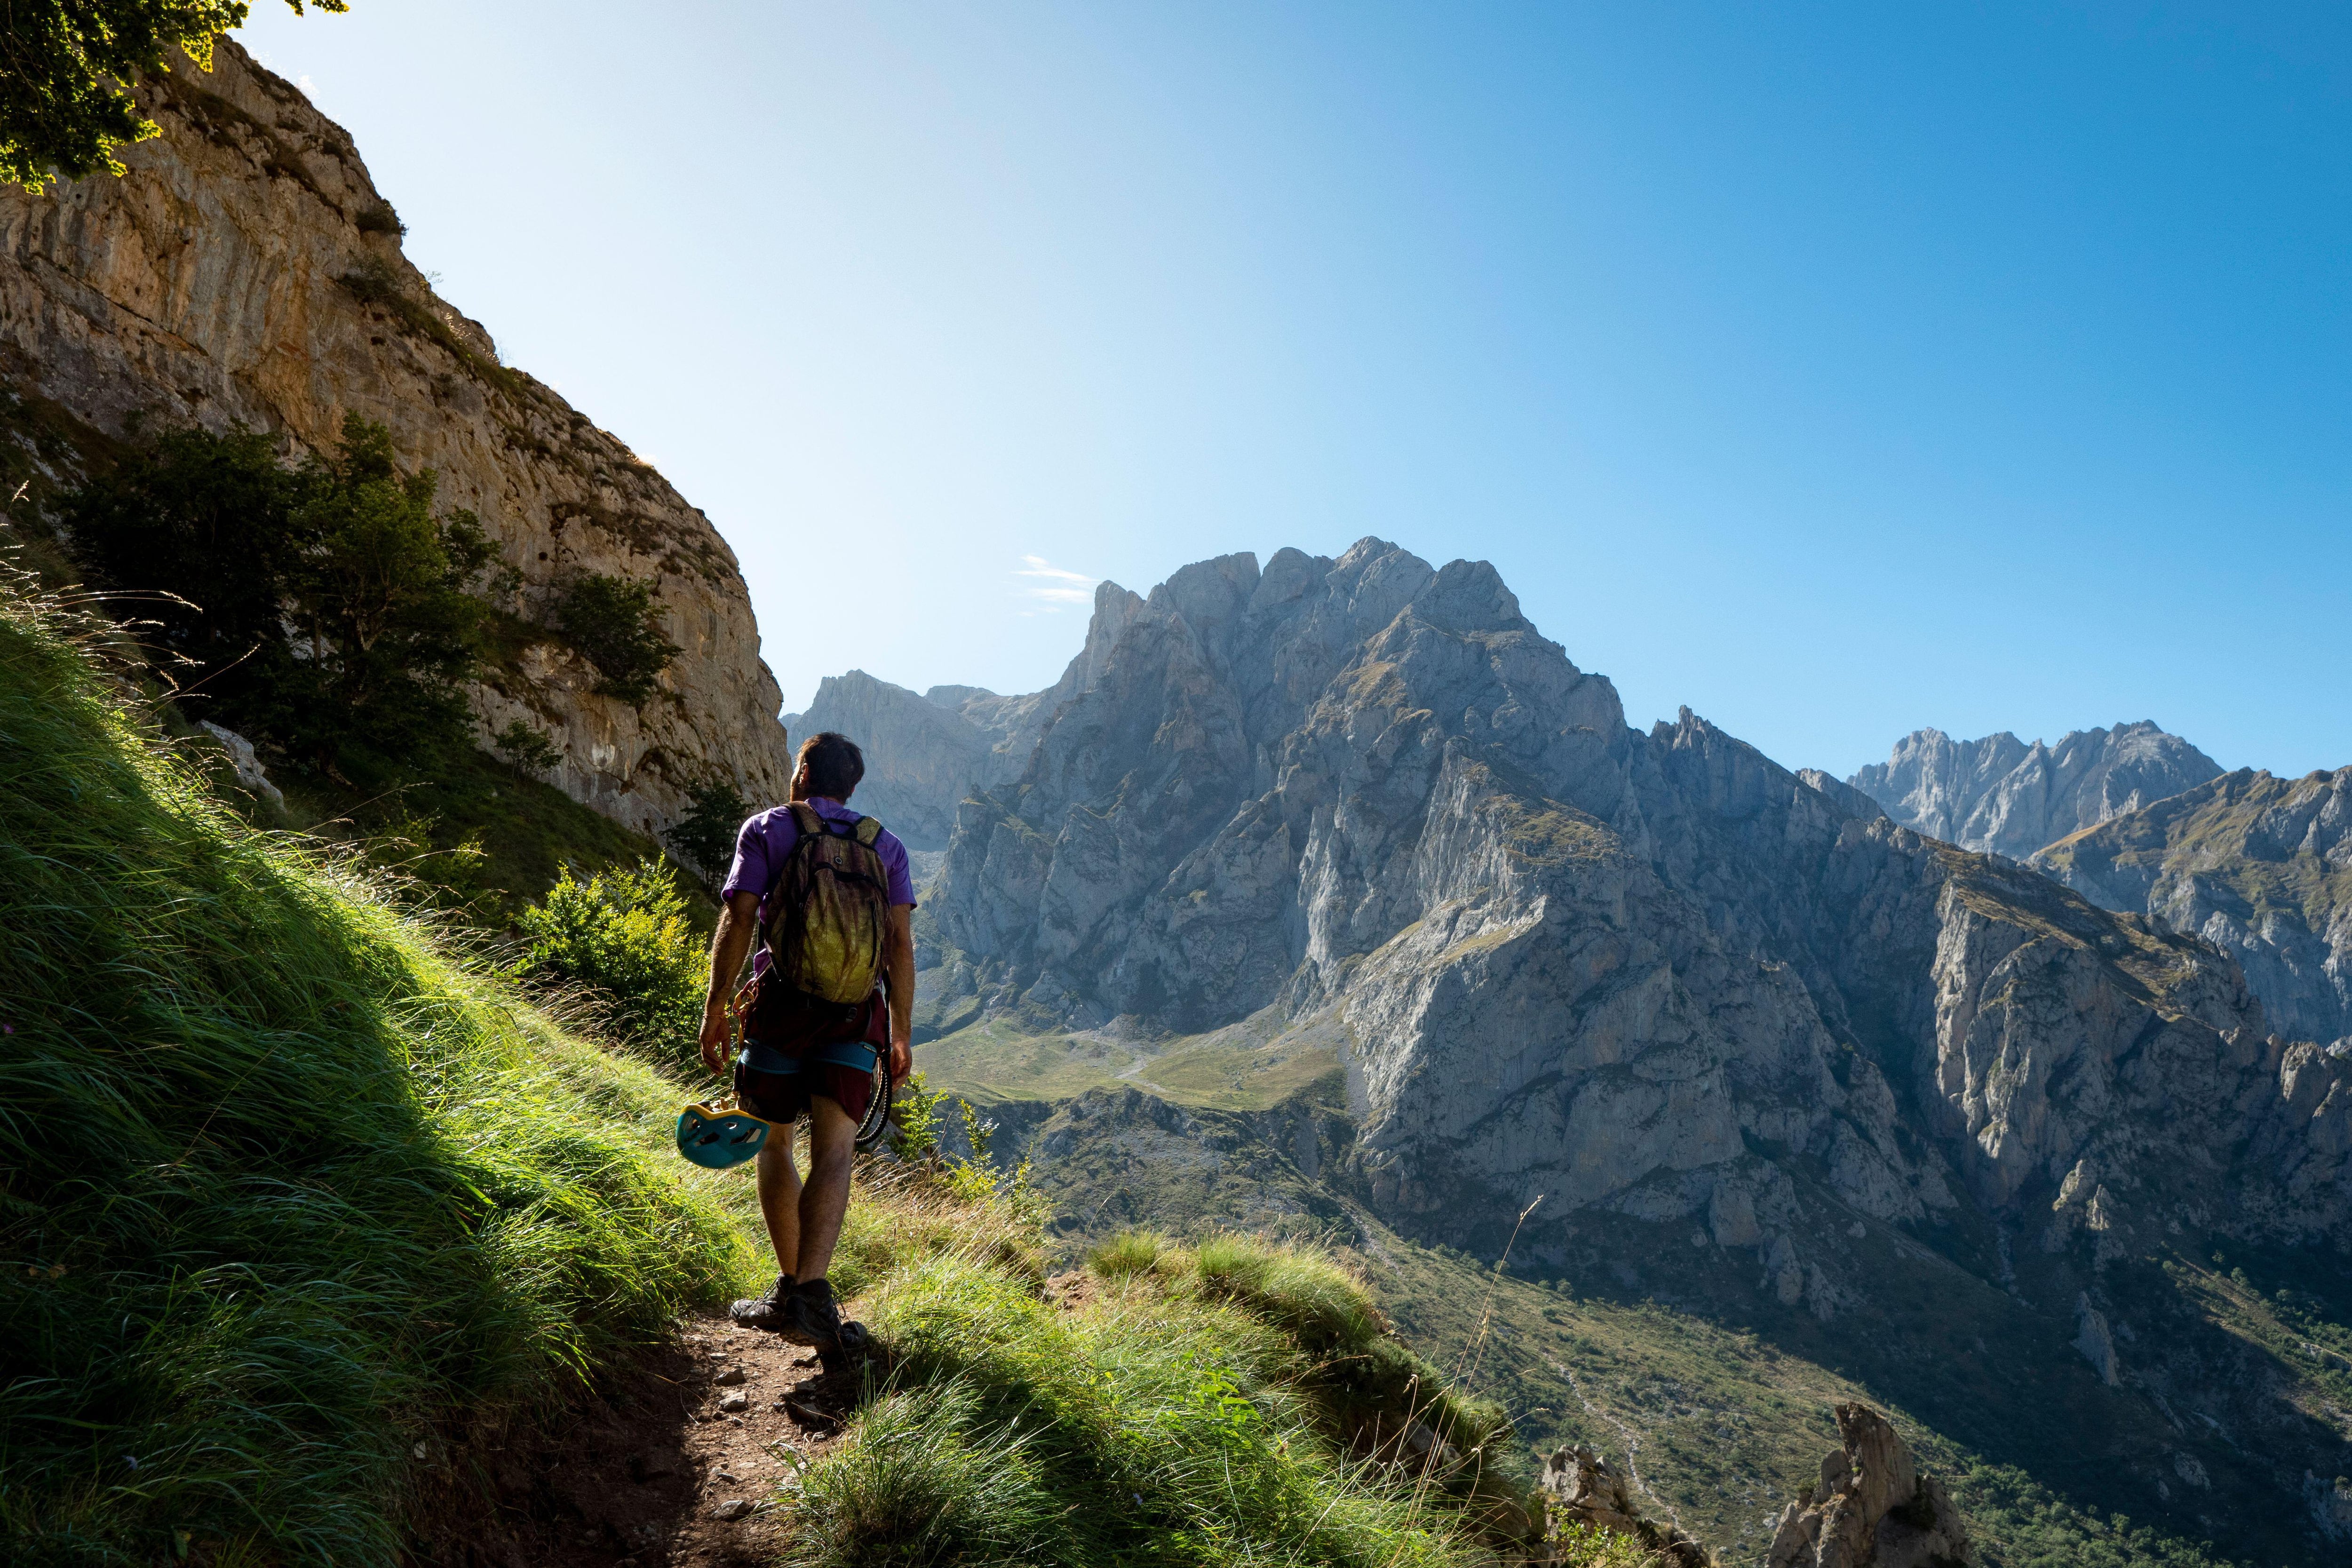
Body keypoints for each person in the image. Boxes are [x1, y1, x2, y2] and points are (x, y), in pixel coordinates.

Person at [698, 731, 916, 1346]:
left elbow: (740, 916)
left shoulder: (770, 828)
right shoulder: (887, 847)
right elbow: (899, 945)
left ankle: (792, 1286)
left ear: (801, 774)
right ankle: (812, 1300)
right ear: (851, 786)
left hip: (782, 1010)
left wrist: (717, 1005)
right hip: (855, 1016)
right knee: (837, 1153)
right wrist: (901, 1034)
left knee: (774, 1145)